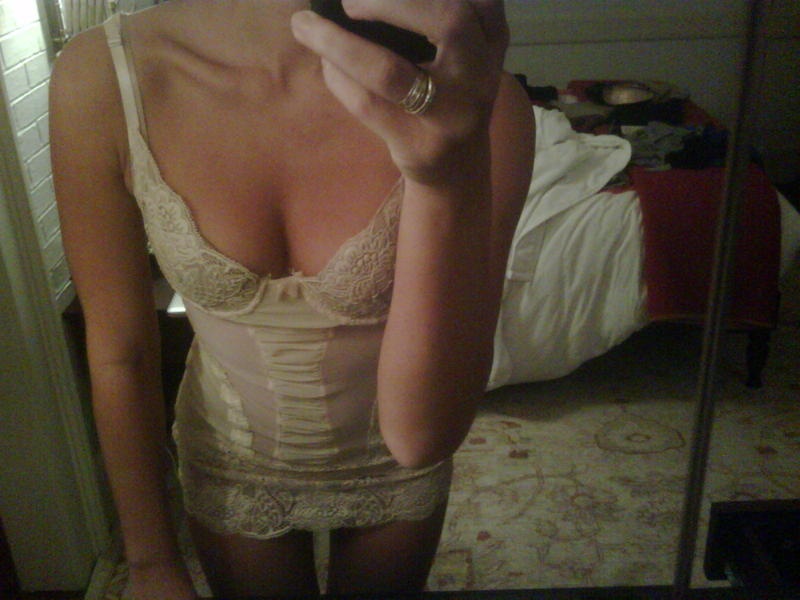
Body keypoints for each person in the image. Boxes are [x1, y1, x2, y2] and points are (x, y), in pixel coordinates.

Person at [49, 0, 534, 597]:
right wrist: (150, 562)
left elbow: (424, 434)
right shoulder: (103, 75)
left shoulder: (472, 99)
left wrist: (444, 177)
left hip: (394, 471)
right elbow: (120, 351)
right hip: (230, 466)